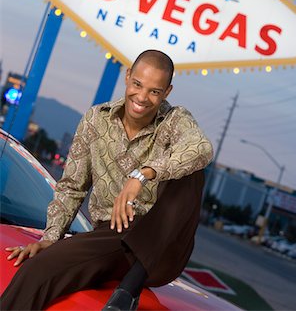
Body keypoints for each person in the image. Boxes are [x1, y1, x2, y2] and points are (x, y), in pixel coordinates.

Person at [1, 49, 213, 311]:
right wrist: (51, 237)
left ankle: (129, 289)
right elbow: (72, 186)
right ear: (128, 77)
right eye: (137, 84)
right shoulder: (96, 120)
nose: (142, 97)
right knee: (38, 269)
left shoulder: (175, 120)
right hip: (112, 235)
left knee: (192, 169)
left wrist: (142, 174)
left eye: (154, 91)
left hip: (161, 241)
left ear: (167, 92)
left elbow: (202, 148)